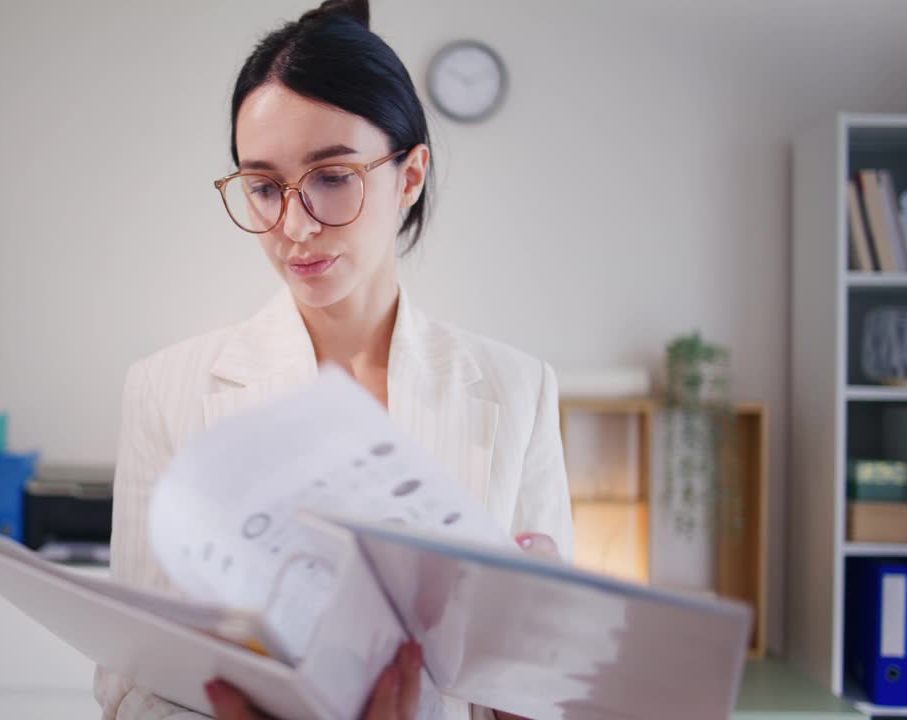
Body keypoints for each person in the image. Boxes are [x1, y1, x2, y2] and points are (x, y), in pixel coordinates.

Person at [94, 1, 573, 718]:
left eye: (332, 177)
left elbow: (544, 684)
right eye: (263, 186)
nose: (294, 225)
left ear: (409, 176)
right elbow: (128, 686)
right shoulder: (166, 391)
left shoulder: (518, 391)